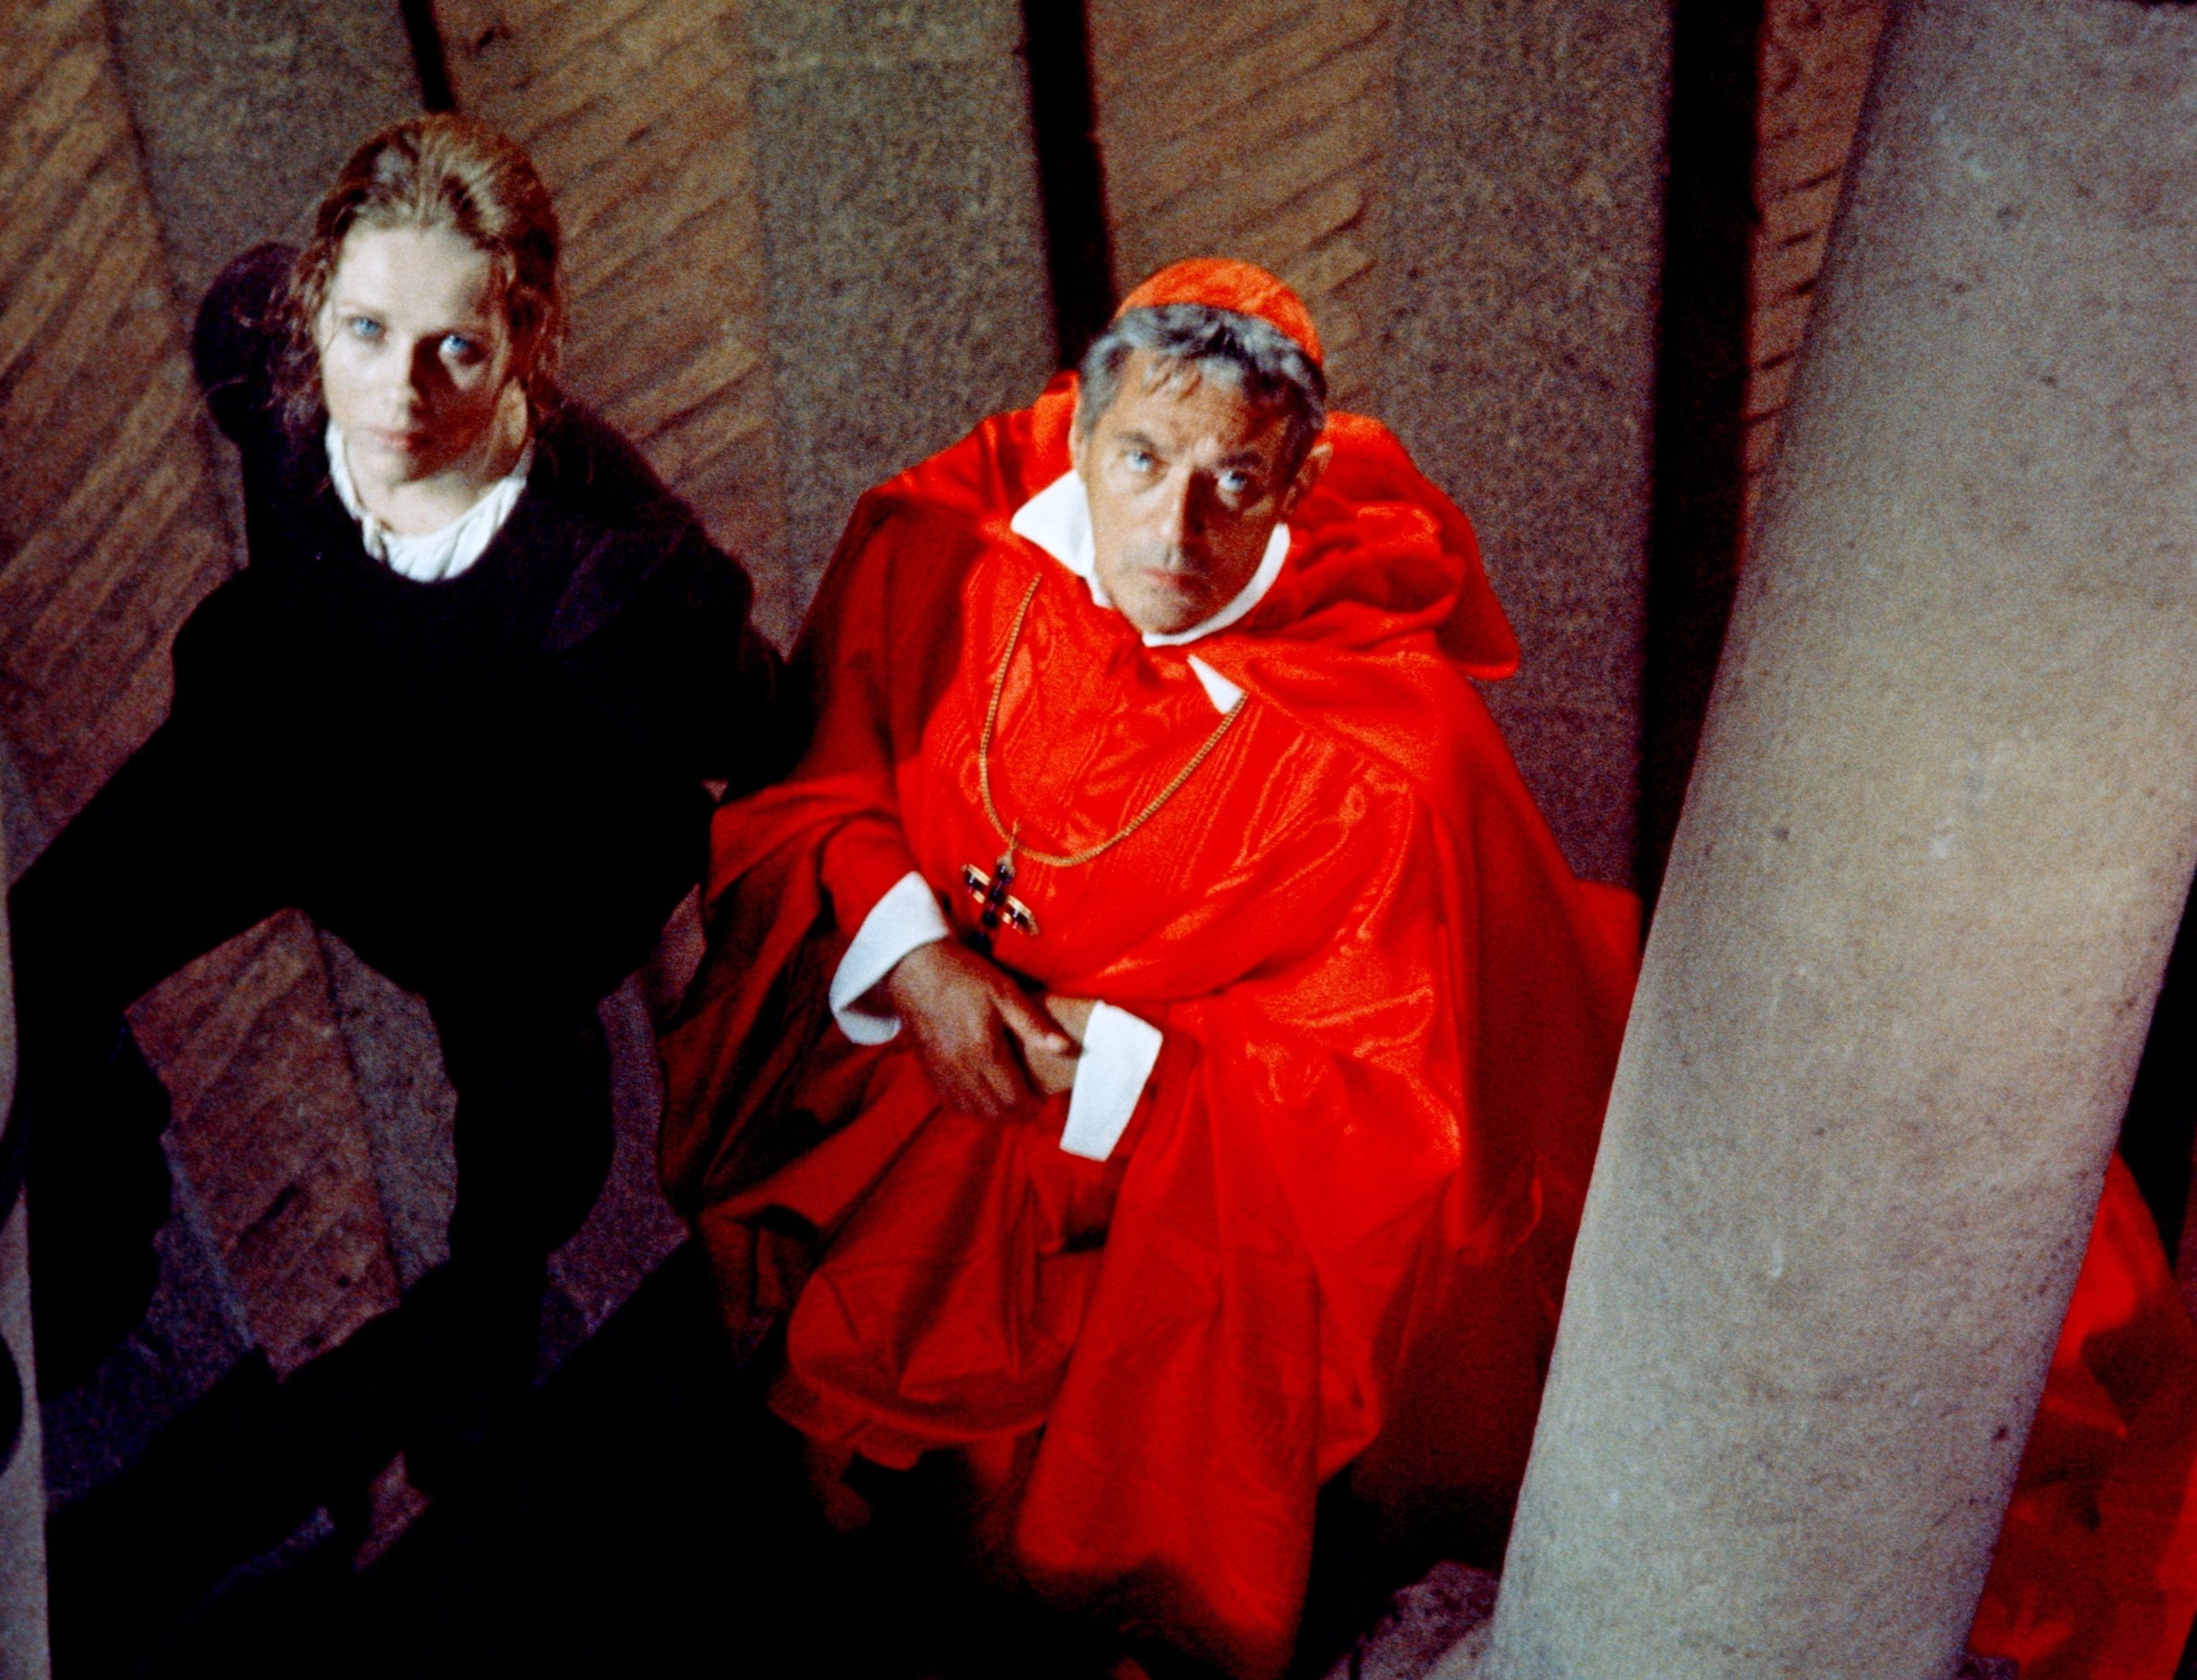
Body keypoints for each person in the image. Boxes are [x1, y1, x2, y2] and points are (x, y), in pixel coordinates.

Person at [656, 258, 1645, 1678]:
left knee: (1043, 1553)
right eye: (1141, 460)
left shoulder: (1389, 760)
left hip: (1154, 1196)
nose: (1175, 530)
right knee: (816, 1426)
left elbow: (1388, 1083)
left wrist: (1118, 1063)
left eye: (1234, 482)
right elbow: (826, 778)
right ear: (1077, 433)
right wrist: (916, 958)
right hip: (904, 1071)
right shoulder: (946, 558)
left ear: (1298, 483)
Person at [5, 114, 790, 1418]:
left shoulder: (614, 573)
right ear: (317, 302)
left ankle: (487, 1313)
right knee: (38, 956)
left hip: (489, 877)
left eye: (456, 349)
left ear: (526, 338)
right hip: (281, 762)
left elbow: (756, 725)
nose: (396, 399)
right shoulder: (270, 358)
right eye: (366, 330)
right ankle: (96, 1218)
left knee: (533, 1147)